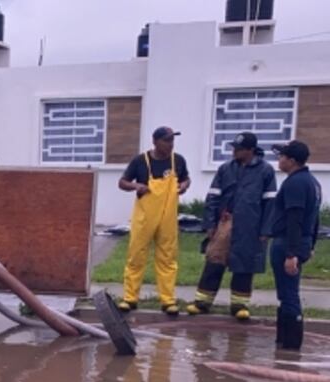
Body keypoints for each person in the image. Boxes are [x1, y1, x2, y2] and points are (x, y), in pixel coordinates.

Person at [186, 132, 277, 321]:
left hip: (250, 225)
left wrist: (265, 230)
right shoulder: (225, 169)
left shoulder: (266, 171)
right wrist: (210, 223)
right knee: (214, 260)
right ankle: (202, 302)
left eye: (239, 149)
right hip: (225, 222)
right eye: (234, 148)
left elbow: (270, 203)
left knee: (244, 264)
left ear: (251, 150)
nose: (234, 152)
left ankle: (239, 305)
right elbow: (213, 196)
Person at [117, 126, 191, 316]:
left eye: (172, 140)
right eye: (166, 140)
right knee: (136, 256)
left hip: (168, 218)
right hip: (144, 218)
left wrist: (184, 185)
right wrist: (136, 186)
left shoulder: (178, 160)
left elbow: (186, 179)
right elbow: (122, 182)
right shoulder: (140, 161)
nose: (170, 144)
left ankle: (168, 300)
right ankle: (130, 298)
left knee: (167, 257)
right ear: (155, 142)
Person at [267, 140, 322, 350]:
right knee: (287, 292)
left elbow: (295, 219)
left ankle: (290, 345)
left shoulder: (295, 183)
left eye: (281, 157)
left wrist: (291, 254)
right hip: (301, 242)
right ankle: (283, 340)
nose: (279, 160)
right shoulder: (312, 182)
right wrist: (311, 244)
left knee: (288, 294)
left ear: (292, 160)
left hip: (287, 244)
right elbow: (314, 218)